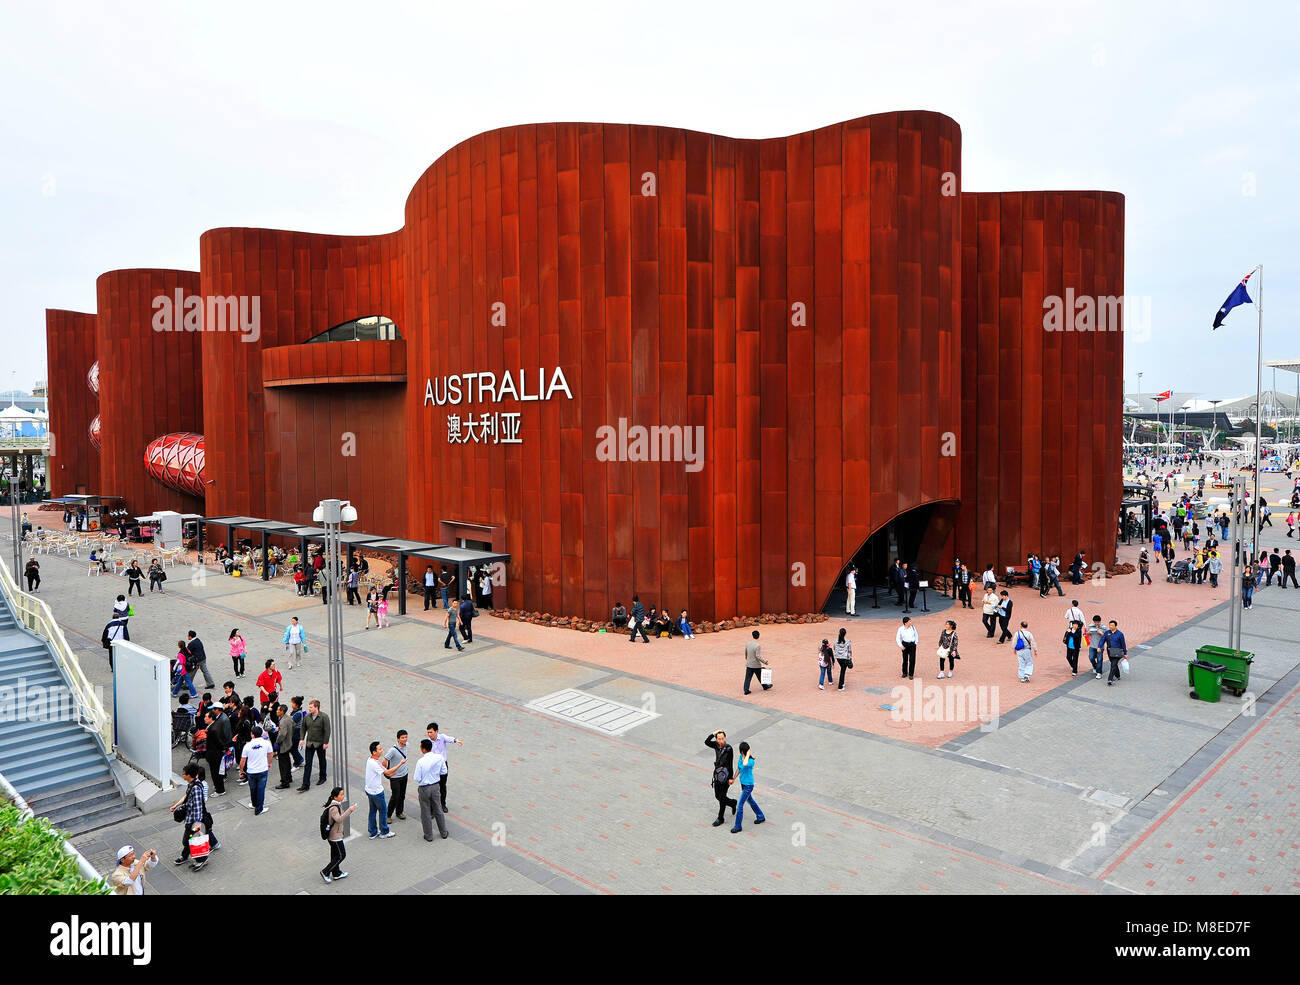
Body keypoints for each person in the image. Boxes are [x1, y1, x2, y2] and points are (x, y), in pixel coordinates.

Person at [170, 762, 218, 869]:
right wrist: (176, 805)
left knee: (188, 840)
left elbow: (197, 807)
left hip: (194, 821)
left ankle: (202, 859)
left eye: (184, 773)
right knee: (191, 839)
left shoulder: (195, 787)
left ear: (188, 775)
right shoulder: (193, 784)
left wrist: (197, 823)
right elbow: (187, 797)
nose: (182, 775)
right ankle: (184, 856)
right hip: (190, 819)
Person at [413, 739, 449, 841]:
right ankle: (443, 832)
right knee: (438, 809)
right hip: (435, 786)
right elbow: (444, 771)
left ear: (423, 749)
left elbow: (417, 778)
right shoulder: (439, 758)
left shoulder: (420, 762)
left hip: (424, 788)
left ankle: (428, 835)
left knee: (425, 812)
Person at [321, 786, 358, 883]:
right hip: (335, 836)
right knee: (341, 855)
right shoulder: (334, 808)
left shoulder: (336, 804)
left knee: (335, 855)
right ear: (335, 797)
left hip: (333, 835)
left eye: (343, 794)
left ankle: (336, 873)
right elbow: (339, 819)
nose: (343, 796)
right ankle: (325, 872)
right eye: (341, 795)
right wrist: (350, 810)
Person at [364, 741, 399, 839]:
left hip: (369, 790)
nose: (382, 750)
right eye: (379, 749)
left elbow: (383, 770)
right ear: (374, 752)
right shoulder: (375, 763)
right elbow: (386, 771)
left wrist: (388, 773)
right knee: (383, 811)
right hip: (377, 792)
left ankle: (373, 831)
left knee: (372, 811)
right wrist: (400, 764)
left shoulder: (370, 760)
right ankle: (384, 831)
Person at [729, 741, 766, 833]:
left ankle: (738, 826)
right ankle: (760, 816)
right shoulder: (741, 757)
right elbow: (739, 768)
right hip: (743, 784)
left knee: (740, 805)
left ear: (741, 751)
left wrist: (748, 753)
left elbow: (745, 764)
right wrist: (733, 778)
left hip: (748, 786)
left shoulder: (751, 761)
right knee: (750, 801)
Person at [426, 723, 462, 813]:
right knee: (433, 787)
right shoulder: (428, 742)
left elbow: (449, 739)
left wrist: (456, 740)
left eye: (431, 732)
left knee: (442, 786)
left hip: (443, 765)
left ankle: (442, 804)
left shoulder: (442, 737)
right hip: (433, 766)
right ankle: (432, 807)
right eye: (428, 732)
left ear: (436, 731)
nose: (429, 734)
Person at [704, 730, 737, 827]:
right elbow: (706, 742)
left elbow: (730, 764)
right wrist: (714, 733)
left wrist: (731, 778)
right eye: (719, 739)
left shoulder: (729, 749)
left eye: (723, 738)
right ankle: (732, 803)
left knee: (722, 797)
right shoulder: (715, 745)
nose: (721, 740)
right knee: (717, 796)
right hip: (717, 775)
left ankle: (720, 818)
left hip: (726, 776)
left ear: (725, 738)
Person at [239, 725, 274, 816]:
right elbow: (270, 754)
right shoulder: (266, 743)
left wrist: (241, 770)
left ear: (252, 735)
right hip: (262, 769)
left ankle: (254, 804)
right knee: (261, 789)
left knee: (253, 788)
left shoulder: (247, 745)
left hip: (251, 771)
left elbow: (243, 760)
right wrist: (269, 763)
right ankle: (259, 808)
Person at [297, 700, 331, 790]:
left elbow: (327, 730)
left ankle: (323, 777)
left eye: (311, 707)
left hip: (320, 743)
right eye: (309, 707)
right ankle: (305, 785)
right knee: (308, 764)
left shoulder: (324, 717)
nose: (309, 709)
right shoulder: (307, 717)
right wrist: (301, 739)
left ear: (316, 707)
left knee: (322, 760)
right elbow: (303, 728)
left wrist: (326, 742)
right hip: (309, 743)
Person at [385, 730, 411, 822]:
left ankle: (399, 812)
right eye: (402, 738)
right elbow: (384, 761)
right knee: (395, 796)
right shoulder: (393, 750)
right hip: (395, 777)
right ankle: (388, 815)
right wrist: (387, 772)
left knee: (402, 795)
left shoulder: (407, 745)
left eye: (406, 737)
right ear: (398, 739)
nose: (405, 739)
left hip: (404, 774)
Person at [273, 704, 295, 789]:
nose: (277, 711)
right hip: (289, 743)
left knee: (282, 764)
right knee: (287, 761)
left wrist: (277, 742)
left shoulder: (283, 721)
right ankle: (289, 777)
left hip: (283, 745)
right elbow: (293, 726)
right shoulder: (289, 718)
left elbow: (282, 734)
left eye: (278, 710)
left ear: (282, 712)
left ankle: (284, 782)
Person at [743, 630, 770, 695]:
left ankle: (746, 690)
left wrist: (747, 659)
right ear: (758, 636)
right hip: (756, 665)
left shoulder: (748, 643)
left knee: (747, 678)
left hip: (749, 664)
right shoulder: (758, 645)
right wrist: (765, 661)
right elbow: (758, 656)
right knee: (760, 676)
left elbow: (746, 653)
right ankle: (765, 686)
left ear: (752, 635)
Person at [1101, 619, 1127, 686]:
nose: (1110, 626)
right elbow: (1103, 640)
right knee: (1114, 664)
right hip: (1110, 651)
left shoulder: (1120, 634)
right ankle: (1118, 675)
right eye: (1109, 625)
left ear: (1116, 626)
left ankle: (1110, 679)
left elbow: (1123, 644)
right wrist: (1099, 646)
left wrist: (1125, 653)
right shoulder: (1107, 633)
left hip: (1117, 652)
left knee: (1113, 665)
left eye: (1112, 625)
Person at [896, 616, 919, 680]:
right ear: (905, 623)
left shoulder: (913, 628)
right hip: (905, 645)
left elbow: (916, 635)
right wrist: (900, 645)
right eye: (909, 621)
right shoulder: (900, 629)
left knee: (912, 660)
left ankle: (911, 674)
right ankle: (904, 673)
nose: (911, 622)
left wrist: (915, 643)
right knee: (905, 659)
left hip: (912, 645)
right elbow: (897, 638)